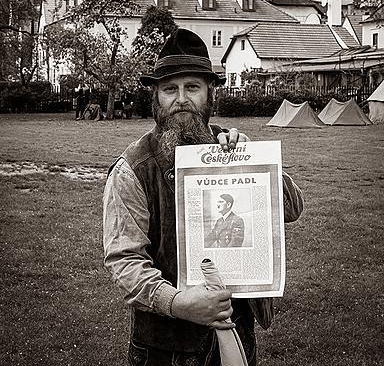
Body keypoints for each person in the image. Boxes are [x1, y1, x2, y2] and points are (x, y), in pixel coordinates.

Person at [103, 29, 303, 366]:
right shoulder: (133, 169)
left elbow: (292, 209)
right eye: (170, 89)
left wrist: (253, 162)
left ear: (210, 94)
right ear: (156, 98)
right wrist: (178, 302)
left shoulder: (233, 148)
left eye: (192, 87)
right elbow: (124, 261)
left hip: (236, 337)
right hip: (166, 348)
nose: (181, 99)